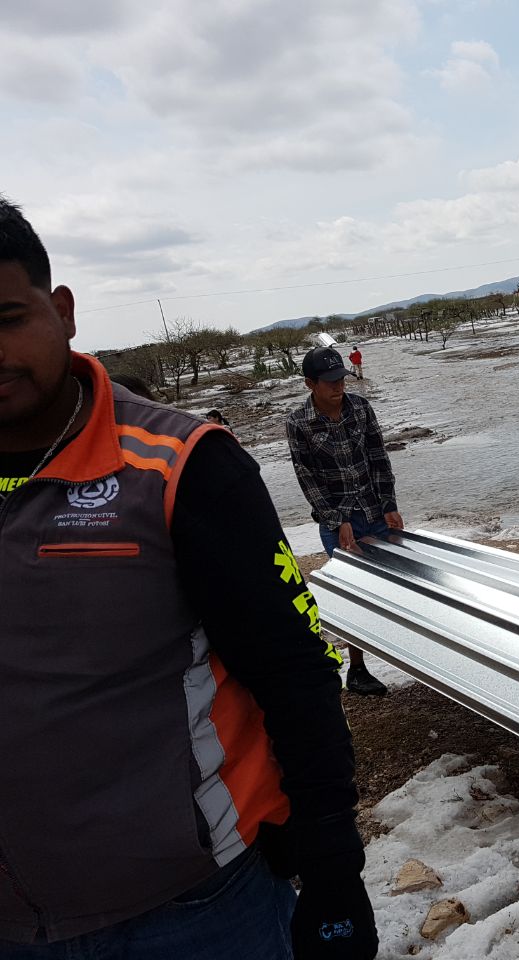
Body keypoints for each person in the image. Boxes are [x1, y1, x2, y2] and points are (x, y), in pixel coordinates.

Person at [0, 197, 377, 957]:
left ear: (62, 311)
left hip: (192, 909)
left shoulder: (183, 468)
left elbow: (294, 669)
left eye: (6, 319)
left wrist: (332, 866)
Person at [287, 346, 402, 696]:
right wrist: (337, 520)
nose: (339, 387)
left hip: (376, 511)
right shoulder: (299, 422)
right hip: (338, 521)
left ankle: (410, 649)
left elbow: (378, 458)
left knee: (399, 581)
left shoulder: (361, 408)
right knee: (355, 593)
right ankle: (358, 669)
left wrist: (389, 503)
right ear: (310, 384)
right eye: (330, 382)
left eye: (341, 379)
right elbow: (307, 478)